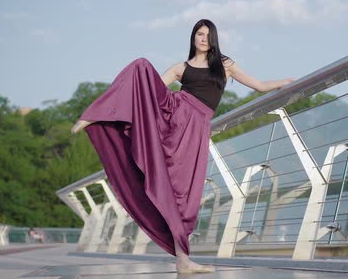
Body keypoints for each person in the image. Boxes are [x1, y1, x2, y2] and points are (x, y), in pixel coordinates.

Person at [70, 19, 294, 274]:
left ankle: (182, 259)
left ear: (214, 40)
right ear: (193, 37)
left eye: (208, 35)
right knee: (141, 67)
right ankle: (96, 114)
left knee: (184, 196)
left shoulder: (225, 65)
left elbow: (258, 85)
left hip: (194, 131)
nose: (203, 39)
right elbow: (144, 93)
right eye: (199, 34)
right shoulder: (180, 68)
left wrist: (284, 82)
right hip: (173, 117)